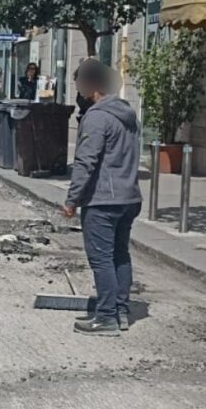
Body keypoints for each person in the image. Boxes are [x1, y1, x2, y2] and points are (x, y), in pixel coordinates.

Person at [62, 59, 142, 337]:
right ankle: (120, 309)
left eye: (80, 84)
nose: (78, 90)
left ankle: (106, 316)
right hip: (129, 197)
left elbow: (86, 162)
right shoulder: (127, 113)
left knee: (101, 259)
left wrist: (72, 199)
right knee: (120, 254)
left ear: (91, 85)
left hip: (103, 200)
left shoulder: (97, 117)